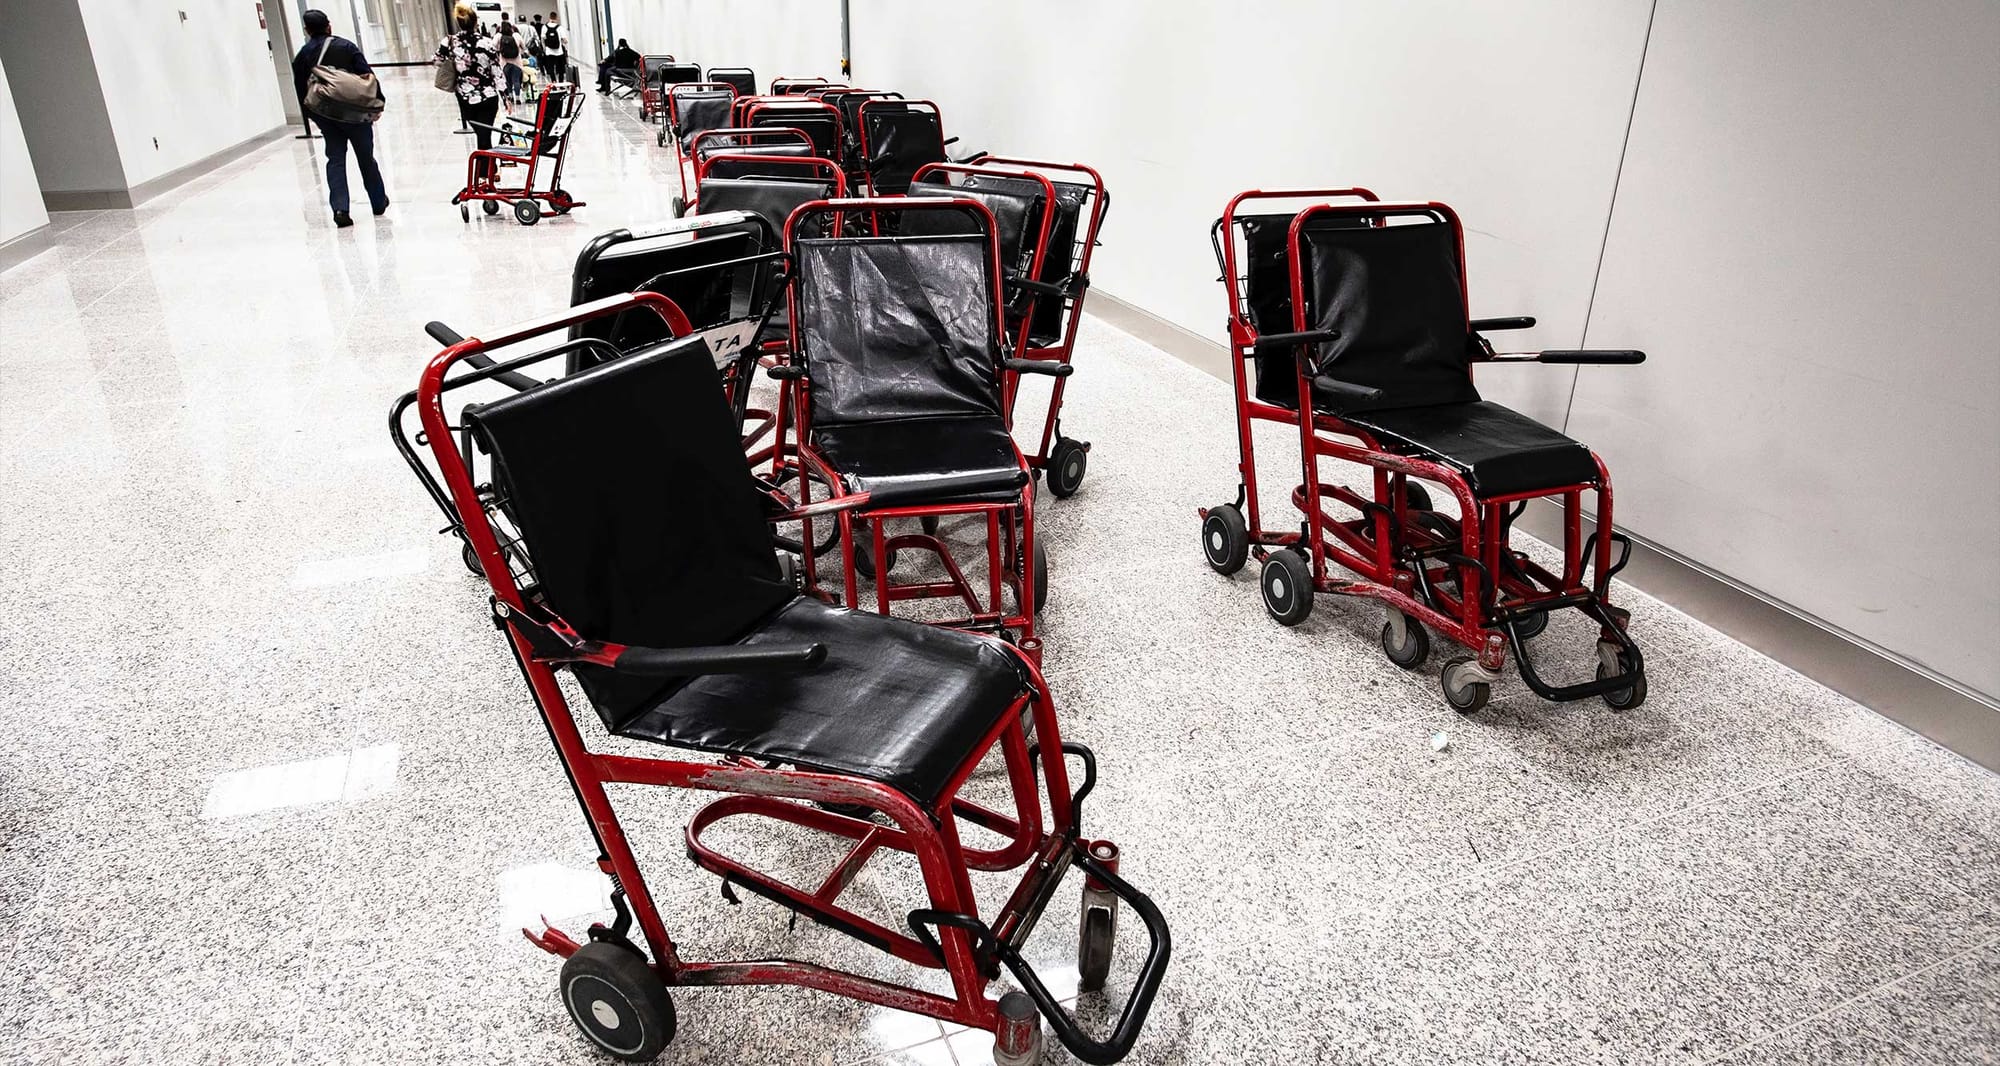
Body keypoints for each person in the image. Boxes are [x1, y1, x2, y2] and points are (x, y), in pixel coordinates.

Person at [291, 9, 389, 227]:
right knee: (366, 158)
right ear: (329, 25)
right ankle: (378, 201)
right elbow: (367, 75)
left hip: (327, 114)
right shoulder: (346, 46)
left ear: (307, 30)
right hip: (356, 114)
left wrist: (311, 116)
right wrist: (378, 103)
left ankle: (340, 208)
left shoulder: (304, 55)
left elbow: (300, 89)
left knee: (335, 160)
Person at [436, 3, 505, 182]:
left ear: (459, 23)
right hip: (488, 96)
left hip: (465, 96)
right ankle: (488, 170)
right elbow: (497, 70)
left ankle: (486, 170)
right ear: (475, 23)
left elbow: (437, 60)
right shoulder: (487, 43)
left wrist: (457, 63)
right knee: (485, 134)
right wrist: (505, 97)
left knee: (481, 133)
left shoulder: (449, 42)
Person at [496, 19, 524, 106]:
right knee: (516, 80)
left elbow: (493, 46)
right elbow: (524, 46)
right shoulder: (516, 36)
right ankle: (518, 98)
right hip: (517, 62)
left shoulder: (499, 36)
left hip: (504, 62)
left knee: (507, 81)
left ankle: (510, 96)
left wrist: (499, 51)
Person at [540, 11, 569, 86]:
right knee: (561, 69)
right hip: (559, 52)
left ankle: (553, 82)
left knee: (551, 68)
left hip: (549, 52)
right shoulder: (559, 27)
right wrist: (563, 41)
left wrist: (544, 48)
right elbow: (565, 40)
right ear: (556, 18)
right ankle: (561, 83)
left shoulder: (544, 27)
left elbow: (542, 39)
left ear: (549, 17)